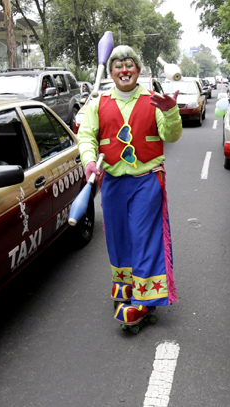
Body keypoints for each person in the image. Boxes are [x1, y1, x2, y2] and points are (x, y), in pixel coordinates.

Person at [77, 45, 182, 326]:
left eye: (129, 64)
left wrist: (171, 112)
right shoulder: (98, 103)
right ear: (110, 71)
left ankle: (145, 299)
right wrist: (89, 160)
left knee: (144, 237)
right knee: (117, 237)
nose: (124, 70)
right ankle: (124, 286)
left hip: (146, 181)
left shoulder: (153, 99)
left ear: (138, 69)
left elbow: (171, 136)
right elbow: (86, 136)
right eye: (118, 65)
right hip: (111, 182)